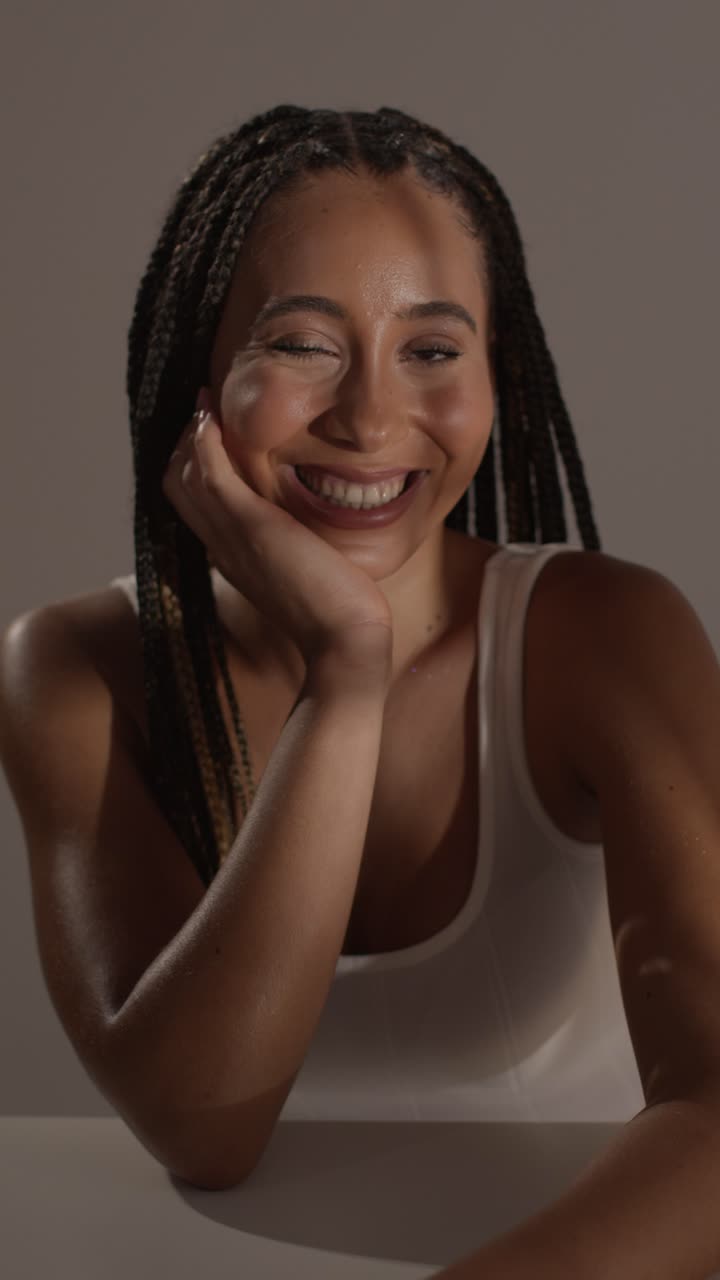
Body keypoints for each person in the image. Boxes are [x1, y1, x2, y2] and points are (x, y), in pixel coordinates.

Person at [0, 105, 645, 1192]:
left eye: (432, 349)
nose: (370, 415)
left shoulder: (605, 637)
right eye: (302, 344)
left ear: (502, 374)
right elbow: (203, 1130)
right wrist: (347, 669)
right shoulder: (73, 668)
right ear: (195, 376)